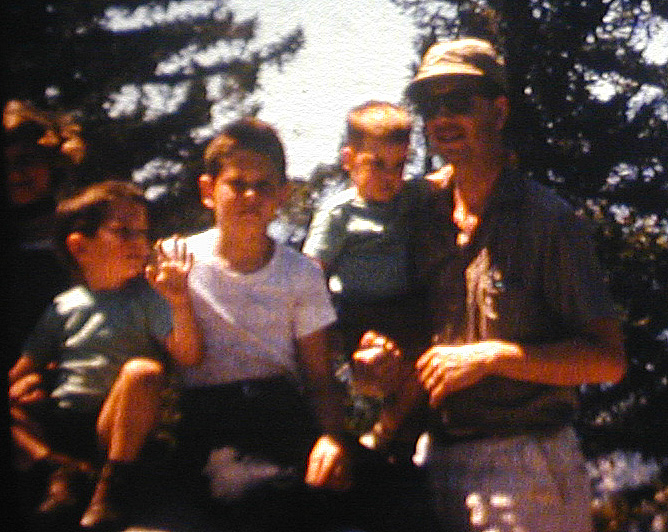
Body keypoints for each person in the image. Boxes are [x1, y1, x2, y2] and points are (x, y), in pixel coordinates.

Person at [357, 37, 627, 531]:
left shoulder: (549, 221)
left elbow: (607, 359)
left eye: (459, 101)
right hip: (432, 461)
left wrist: (492, 358)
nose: (443, 118)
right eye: (431, 105)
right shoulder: (416, 211)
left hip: (526, 470)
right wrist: (380, 363)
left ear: (499, 111)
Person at [171, 117, 355, 532]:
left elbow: (319, 377)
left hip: (280, 412)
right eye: (237, 184)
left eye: (264, 186)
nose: (251, 196)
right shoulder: (179, 261)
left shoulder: (300, 273)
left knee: (341, 496)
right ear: (208, 191)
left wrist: (332, 439)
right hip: (210, 416)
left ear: (282, 195)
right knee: (249, 497)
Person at [8, 180, 202, 530]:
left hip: (116, 425)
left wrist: (179, 300)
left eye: (143, 233)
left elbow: (188, 355)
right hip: (61, 422)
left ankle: (112, 486)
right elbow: (27, 364)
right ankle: (57, 468)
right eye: (124, 232)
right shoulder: (64, 305)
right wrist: (22, 387)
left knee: (143, 372)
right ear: (80, 247)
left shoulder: (148, 297)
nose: (140, 243)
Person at [302, 101, 439, 532]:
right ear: (349, 161)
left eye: (399, 165)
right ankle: (369, 435)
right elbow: (312, 272)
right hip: (360, 314)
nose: (389, 176)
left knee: (427, 366)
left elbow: (442, 180)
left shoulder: (410, 197)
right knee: (374, 366)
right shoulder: (339, 212)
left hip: (408, 307)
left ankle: (390, 435)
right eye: (375, 164)